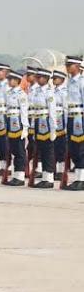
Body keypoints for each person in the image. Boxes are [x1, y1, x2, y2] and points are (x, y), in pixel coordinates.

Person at [30, 68, 56, 188]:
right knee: (41, 150)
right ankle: (44, 177)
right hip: (38, 122)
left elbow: (52, 112)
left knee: (48, 151)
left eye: (39, 77)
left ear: (45, 79)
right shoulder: (37, 91)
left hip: (46, 122)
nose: (37, 79)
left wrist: (53, 129)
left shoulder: (49, 93)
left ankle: (49, 178)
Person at [3, 70, 29, 186]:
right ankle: (15, 175)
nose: (8, 81)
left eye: (10, 79)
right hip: (10, 123)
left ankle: (20, 176)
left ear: (17, 80)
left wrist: (25, 128)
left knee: (19, 151)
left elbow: (24, 112)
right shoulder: (9, 93)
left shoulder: (21, 95)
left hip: (18, 124)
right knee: (13, 150)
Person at [64, 55, 84, 190]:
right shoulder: (69, 82)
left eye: (69, 65)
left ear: (77, 66)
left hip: (79, 118)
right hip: (70, 117)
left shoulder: (81, 82)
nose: (67, 67)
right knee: (73, 148)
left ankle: (81, 179)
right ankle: (78, 178)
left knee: (80, 148)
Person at [0, 63, 11, 176]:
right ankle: (2, 166)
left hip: (5, 116)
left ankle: (7, 167)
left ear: (6, 73)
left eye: (0, 70)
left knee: (5, 143)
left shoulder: (8, 86)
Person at [51, 70, 68, 181]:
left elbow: (66, 109)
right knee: (54, 147)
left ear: (62, 79)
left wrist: (66, 127)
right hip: (53, 122)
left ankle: (61, 171)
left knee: (61, 148)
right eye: (53, 78)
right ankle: (55, 169)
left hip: (61, 121)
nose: (53, 80)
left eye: (56, 78)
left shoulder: (64, 92)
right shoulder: (52, 91)